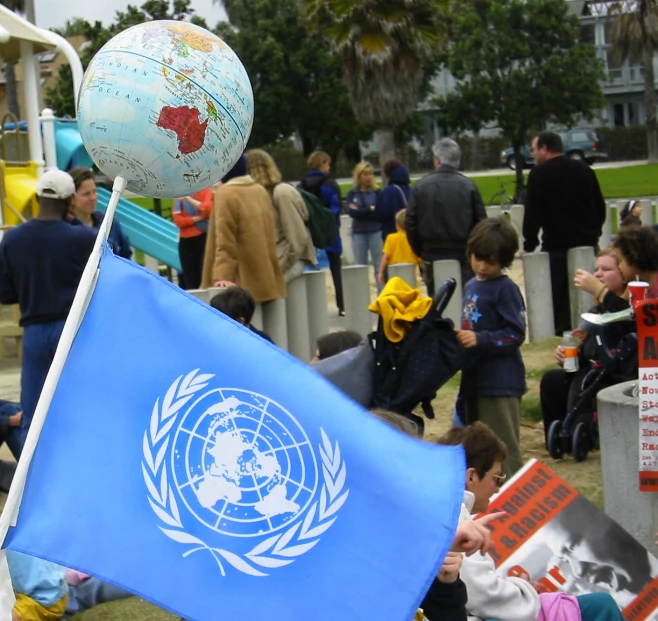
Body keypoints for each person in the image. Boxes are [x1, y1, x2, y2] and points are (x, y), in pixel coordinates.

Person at [437, 422, 626, 621]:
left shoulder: (441, 506)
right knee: (600, 606)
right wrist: (526, 590)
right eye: (497, 478)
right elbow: (485, 597)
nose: (497, 489)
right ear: (472, 477)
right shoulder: (453, 513)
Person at [0, 170, 96, 451]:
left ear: (39, 198)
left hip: (35, 333)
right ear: (69, 201)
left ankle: (34, 482)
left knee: (34, 413)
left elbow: (5, 294)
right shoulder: (82, 238)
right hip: (74, 330)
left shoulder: (13, 240)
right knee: (80, 406)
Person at [455, 217, 526, 478]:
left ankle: (518, 508)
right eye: (478, 258)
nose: (482, 266)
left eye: (491, 261)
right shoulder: (472, 285)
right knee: (479, 449)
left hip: (501, 383)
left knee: (503, 450)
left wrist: (481, 339)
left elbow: (515, 333)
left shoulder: (506, 290)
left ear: (504, 260)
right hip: (475, 379)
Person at [540, 248, 631, 447]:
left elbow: (625, 319)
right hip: (588, 379)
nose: (598, 274)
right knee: (552, 380)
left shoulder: (630, 309)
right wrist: (568, 356)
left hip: (612, 381)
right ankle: (557, 438)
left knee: (585, 384)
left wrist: (600, 290)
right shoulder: (596, 311)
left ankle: (575, 434)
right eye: (596, 269)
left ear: (624, 275)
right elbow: (588, 353)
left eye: (606, 269)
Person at [522, 131, 606, 335]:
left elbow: (533, 214)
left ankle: (563, 332)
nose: (532, 154)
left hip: (556, 245)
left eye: (533, 149)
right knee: (588, 290)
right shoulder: (584, 169)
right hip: (587, 242)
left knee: (559, 297)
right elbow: (599, 207)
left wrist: (529, 244)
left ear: (544, 149)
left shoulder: (538, 175)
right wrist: (594, 231)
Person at [200, 155, 286, 304]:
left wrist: (222, 276)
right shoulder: (259, 190)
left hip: (240, 279)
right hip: (265, 275)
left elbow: (225, 240)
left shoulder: (226, 194)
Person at [406, 138, 486, 295]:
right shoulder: (469, 186)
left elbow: (411, 223)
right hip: (463, 253)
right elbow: (482, 224)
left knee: (437, 302)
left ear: (437, 161)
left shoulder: (421, 187)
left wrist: (420, 251)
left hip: (431, 252)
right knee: (466, 299)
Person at [245, 149, 316, 282]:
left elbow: (298, 238)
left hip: (289, 261)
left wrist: (280, 268)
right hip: (275, 261)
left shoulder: (281, 193)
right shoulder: (262, 194)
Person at [299, 151, 344, 316]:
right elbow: (335, 208)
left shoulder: (302, 185)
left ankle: (312, 307)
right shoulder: (330, 184)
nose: (329, 167)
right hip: (330, 234)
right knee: (336, 270)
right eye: (328, 164)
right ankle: (342, 305)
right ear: (322, 163)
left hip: (309, 233)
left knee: (311, 270)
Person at [68, 167, 132, 259]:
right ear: (71, 199)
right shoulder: (63, 229)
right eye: (86, 194)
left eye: (94, 191)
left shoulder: (110, 223)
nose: (93, 198)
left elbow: (125, 255)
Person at [346, 162, 383, 288]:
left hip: (376, 231)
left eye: (370, 174)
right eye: (365, 174)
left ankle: (382, 296)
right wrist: (368, 209)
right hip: (359, 232)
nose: (368, 177)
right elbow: (352, 212)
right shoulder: (352, 193)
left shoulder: (377, 192)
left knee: (379, 266)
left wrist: (361, 210)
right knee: (360, 266)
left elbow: (379, 211)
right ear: (359, 176)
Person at [172, 187, 213, 290]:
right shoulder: (178, 194)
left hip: (202, 238)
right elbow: (179, 221)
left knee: (204, 276)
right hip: (186, 241)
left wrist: (187, 199)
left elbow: (207, 209)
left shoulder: (205, 190)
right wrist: (198, 218)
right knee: (189, 279)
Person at [378, 209, 422, 286]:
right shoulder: (414, 238)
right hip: (411, 272)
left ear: (397, 225)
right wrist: (422, 272)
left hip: (394, 272)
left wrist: (380, 272)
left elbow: (386, 257)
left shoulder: (391, 238)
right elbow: (420, 259)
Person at [613, 225, 658, 296]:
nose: (619, 266)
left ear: (634, 258)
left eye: (620, 260)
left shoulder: (640, 289)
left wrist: (598, 289)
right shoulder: (635, 285)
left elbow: (619, 306)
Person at [376, 159, 412, 240]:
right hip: (410, 233)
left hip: (392, 233)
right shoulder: (411, 190)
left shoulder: (389, 191)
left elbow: (382, 213)